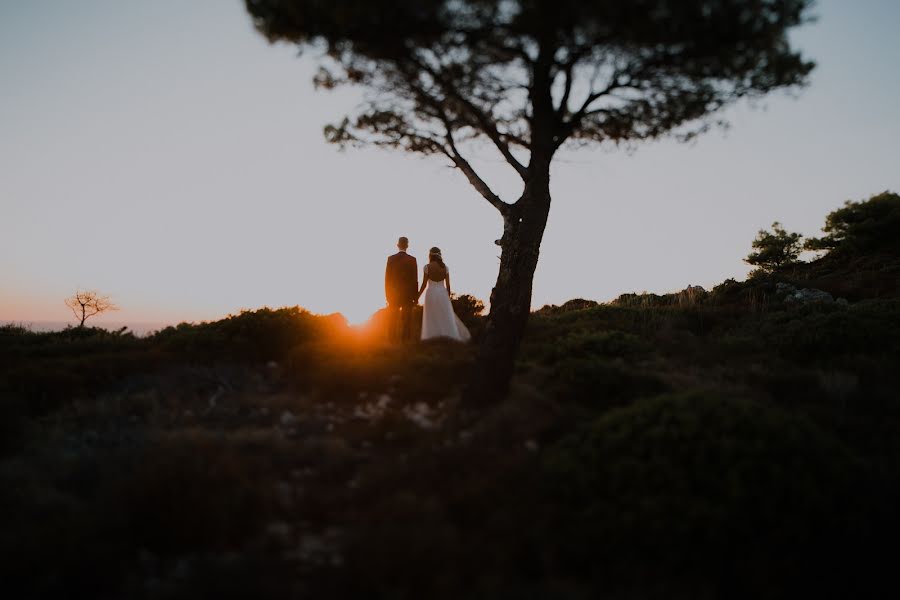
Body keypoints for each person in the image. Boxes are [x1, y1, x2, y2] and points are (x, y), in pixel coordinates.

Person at [417, 247, 471, 342]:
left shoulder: (427, 267)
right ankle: (447, 335)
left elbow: (424, 284)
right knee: (445, 315)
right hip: (443, 293)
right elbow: (448, 285)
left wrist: (418, 295)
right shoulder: (445, 267)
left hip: (431, 293)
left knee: (431, 315)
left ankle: (432, 336)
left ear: (430, 255)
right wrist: (448, 296)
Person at [384, 236, 418, 341]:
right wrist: (415, 297)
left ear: (397, 245)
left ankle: (391, 342)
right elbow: (414, 279)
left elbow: (387, 279)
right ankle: (405, 343)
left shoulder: (390, 259)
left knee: (392, 320)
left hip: (393, 294)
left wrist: (387, 295)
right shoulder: (412, 260)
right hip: (408, 294)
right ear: (407, 246)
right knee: (407, 320)